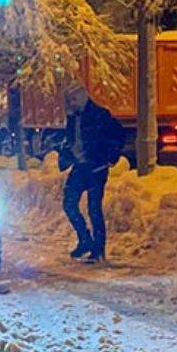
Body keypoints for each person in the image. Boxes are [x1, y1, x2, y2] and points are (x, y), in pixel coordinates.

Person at [58, 85, 125, 262]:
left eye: (72, 100)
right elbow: (72, 140)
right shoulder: (73, 117)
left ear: (81, 98)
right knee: (69, 203)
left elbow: (119, 135)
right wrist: (67, 154)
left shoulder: (100, 115)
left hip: (96, 167)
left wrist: (110, 157)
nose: (70, 104)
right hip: (81, 166)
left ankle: (98, 248)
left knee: (94, 208)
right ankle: (85, 240)